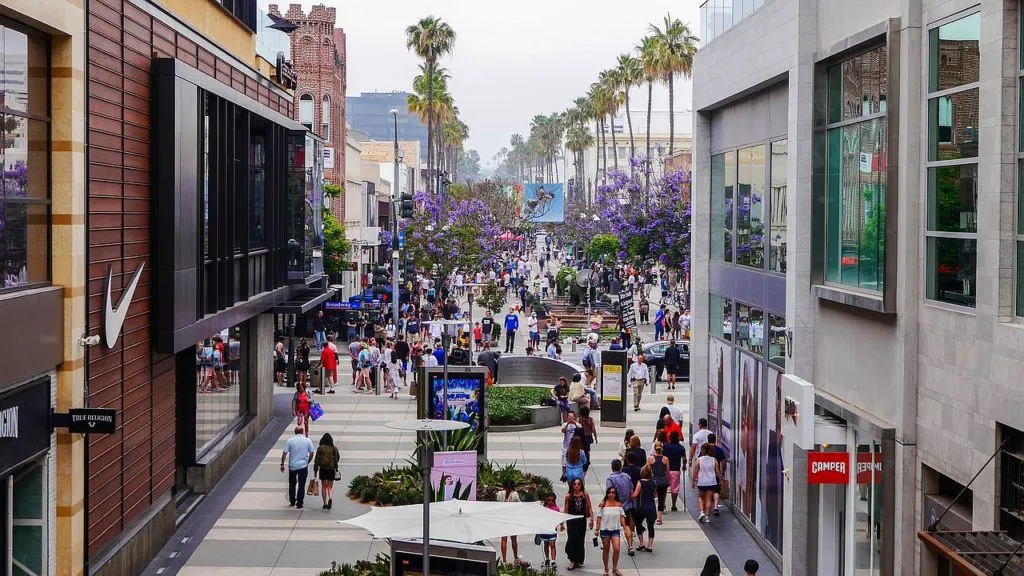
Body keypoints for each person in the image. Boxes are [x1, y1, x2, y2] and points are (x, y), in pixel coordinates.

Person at [280, 426, 315, 509]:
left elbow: (284, 453)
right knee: (301, 485)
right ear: (302, 432)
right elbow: (312, 452)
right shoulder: (307, 440)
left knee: (292, 484)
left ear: (295, 432)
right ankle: (300, 503)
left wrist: (282, 464)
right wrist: (308, 461)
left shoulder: (290, 441)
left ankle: (292, 500)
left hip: (293, 466)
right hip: (303, 466)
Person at [595, 485, 625, 576]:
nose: (611, 494)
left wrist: (625, 527)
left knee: (616, 549)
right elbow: (599, 517)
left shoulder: (619, 504)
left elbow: (622, 516)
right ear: (607, 493)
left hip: (615, 529)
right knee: (606, 549)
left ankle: (615, 568)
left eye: (613, 492)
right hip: (605, 530)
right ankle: (606, 568)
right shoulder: (603, 504)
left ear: (616, 494)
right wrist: (597, 529)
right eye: (609, 492)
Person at [564, 477, 593, 570]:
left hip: (581, 520)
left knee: (580, 540)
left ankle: (578, 560)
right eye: (575, 484)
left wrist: (592, 519)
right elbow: (566, 509)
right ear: (572, 485)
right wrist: (562, 522)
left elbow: (589, 507)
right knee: (572, 539)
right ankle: (572, 560)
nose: (576, 486)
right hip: (571, 521)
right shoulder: (569, 496)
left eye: (579, 484)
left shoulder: (585, 495)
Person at [630, 465, 658, 553]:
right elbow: (654, 495)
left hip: (641, 506)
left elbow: (635, 495)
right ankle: (650, 545)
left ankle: (641, 543)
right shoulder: (654, 482)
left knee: (638, 524)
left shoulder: (640, 482)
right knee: (651, 527)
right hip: (651, 507)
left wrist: (631, 492)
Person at [693, 443, 722, 524]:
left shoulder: (699, 460)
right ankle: (707, 517)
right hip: (712, 482)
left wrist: (693, 481)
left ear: (702, 450)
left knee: (701, 497)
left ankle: (702, 511)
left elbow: (695, 472)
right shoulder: (714, 460)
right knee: (709, 499)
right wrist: (720, 480)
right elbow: (717, 472)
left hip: (702, 482)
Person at [312, 433, 340, 510]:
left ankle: (324, 503)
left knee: (324, 486)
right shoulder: (334, 448)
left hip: (323, 469)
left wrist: (315, 470)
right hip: (331, 469)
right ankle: (330, 498)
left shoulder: (320, 448)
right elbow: (337, 458)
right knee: (330, 487)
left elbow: (316, 460)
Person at [496, 479, 520, 564]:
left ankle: (504, 560)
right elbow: (519, 505)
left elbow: (497, 505)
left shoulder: (499, 494)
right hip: (513, 519)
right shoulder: (515, 494)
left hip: (503, 519)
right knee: (514, 540)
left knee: (503, 540)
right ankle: (516, 557)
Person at [537, 493, 563, 569]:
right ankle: (547, 558)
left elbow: (559, 518)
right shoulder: (543, 508)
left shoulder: (556, 509)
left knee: (552, 544)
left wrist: (561, 525)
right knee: (546, 544)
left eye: (552, 500)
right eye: (549, 500)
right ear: (546, 500)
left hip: (552, 530)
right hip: (545, 529)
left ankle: (553, 560)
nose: (550, 502)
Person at [663, 431, 687, 511]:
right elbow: (684, 459)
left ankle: (663, 504)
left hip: (666, 469)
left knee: (664, 487)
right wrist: (684, 466)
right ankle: (673, 504)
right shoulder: (681, 448)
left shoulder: (665, 446)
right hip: (675, 470)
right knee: (674, 488)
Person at [648, 442, 670, 525]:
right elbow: (667, 471)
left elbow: (648, 471)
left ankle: (651, 514)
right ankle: (659, 518)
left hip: (653, 481)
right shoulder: (665, 459)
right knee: (661, 499)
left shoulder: (650, 459)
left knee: (651, 498)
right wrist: (669, 481)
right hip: (663, 481)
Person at [707, 433, 728, 515]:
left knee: (707, 491)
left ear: (708, 440)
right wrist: (723, 472)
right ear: (715, 440)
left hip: (706, 474)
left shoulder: (705, 449)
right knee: (716, 491)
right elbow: (723, 462)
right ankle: (715, 507)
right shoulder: (719, 450)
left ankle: (706, 507)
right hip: (716, 473)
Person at [578, 405, 597, 472]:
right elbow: (593, 429)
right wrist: (596, 437)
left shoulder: (579, 419)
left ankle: (582, 459)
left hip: (582, 436)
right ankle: (588, 460)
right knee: (588, 449)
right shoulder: (591, 420)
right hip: (589, 436)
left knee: (581, 448)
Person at [560, 412, 578, 482]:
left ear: (574, 417)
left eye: (571, 416)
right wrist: (568, 424)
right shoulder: (565, 424)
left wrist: (575, 423)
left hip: (574, 447)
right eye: (569, 416)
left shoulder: (577, 424)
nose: (570, 418)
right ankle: (564, 474)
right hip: (566, 446)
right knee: (564, 461)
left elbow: (580, 430)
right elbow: (563, 430)